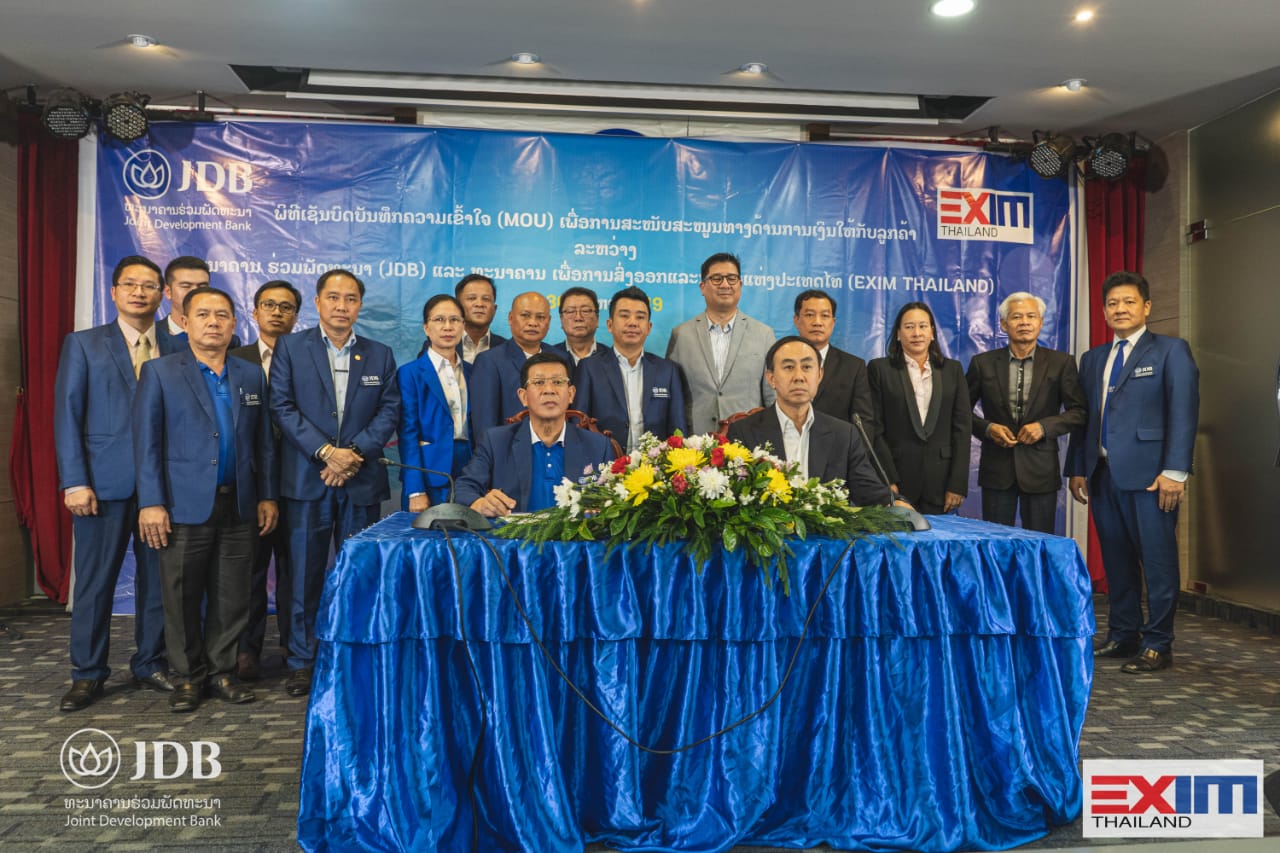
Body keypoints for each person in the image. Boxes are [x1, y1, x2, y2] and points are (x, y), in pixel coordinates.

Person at [134, 287, 278, 712]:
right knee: (180, 595)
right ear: (185, 321)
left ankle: (222, 672)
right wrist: (151, 502)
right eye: (203, 314)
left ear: (234, 324)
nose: (213, 322)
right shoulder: (160, 372)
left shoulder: (250, 374)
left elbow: (263, 444)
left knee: (233, 594)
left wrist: (267, 496)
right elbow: (146, 443)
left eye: (221, 315)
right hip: (181, 505)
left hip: (240, 503)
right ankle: (188, 677)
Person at [269, 269, 401, 697]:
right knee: (304, 575)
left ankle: (352, 652)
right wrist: (327, 453)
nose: (342, 306)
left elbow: (389, 411)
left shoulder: (380, 354)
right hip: (308, 479)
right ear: (318, 302)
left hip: (360, 480)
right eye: (333, 297)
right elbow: (282, 406)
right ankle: (302, 660)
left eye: (350, 299)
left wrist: (353, 454)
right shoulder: (292, 347)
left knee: (359, 572)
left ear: (359, 305)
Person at [53, 255, 175, 711]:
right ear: (114, 292)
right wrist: (74, 480)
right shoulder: (84, 344)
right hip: (101, 486)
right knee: (95, 584)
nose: (140, 292)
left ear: (162, 294)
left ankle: (150, 662)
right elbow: (67, 415)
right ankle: (87, 673)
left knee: (157, 583)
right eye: (130, 284)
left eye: (149, 286)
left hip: (162, 487)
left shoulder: (176, 346)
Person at [1066, 271, 1199, 674]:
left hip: (1152, 478)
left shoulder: (1171, 351)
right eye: (1112, 303)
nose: (1120, 309)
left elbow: (1184, 411)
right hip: (1103, 475)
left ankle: (1158, 642)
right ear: (1104, 311)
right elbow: (1085, 419)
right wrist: (1077, 467)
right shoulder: (1092, 359)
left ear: (1147, 307)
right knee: (1117, 560)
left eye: (1128, 302)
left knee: (1157, 561)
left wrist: (1175, 471)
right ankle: (1124, 634)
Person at [966, 292, 1087, 533]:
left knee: (1039, 542)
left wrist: (1044, 427)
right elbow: (960, 412)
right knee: (997, 543)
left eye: (1031, 316)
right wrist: (988, 429)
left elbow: (1079, 412)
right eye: (1016, 317)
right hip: (997, 470)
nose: (1024, 322)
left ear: (1040, 322)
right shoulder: (982, 363)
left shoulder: (1061, 363)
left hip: (1041, 470)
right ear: (1003, 324)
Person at [229, 280, 301, 680]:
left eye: (286, 307)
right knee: (248, 573)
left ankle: (295, 648)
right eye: (269, 305)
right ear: (254, 312)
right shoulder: (234, 359)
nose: (277, 312)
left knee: (295, 572)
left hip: (299, 481)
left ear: (296, 316)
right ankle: (246, 650)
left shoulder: (309, 358)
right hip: (249, 483)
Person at [727, 336, 896, 507]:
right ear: (771, 378)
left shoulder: (844, 435)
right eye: (788, 367)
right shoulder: (744, 432)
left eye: (807, 367)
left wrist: (896, 502)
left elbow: (868, 491)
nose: (799, 377)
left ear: (819, 375)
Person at [456, 353, 613, 516]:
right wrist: (479, 503)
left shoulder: (598, 446)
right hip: (513, 532)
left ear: (571, 394)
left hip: (575, 533)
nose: (549, 390)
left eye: (558, 382)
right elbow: (464, 488)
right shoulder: (496, 442)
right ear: (523, 396)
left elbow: (614, 500)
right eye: (538, 382)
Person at [867, 301, 971, 514]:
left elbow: (962, 429)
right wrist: (887, 479)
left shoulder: (952, 370)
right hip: (896, 481)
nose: (917, 333)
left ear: (932, 332)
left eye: (923, 326)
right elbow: (874, 428)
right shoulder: (880, 369)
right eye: (909, 327)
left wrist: (957, 484)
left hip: (941, 484)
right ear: (898, 334)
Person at [665, 252, 775, 434]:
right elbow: (673, 396)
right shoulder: (681, 334)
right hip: (695, 442)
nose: (725, 284)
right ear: (702, 287)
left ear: (740, 285)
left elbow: (772, 396)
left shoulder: (764, 334)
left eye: (732, 279)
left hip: (748, 441)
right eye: (716, 279)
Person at [573, 286, 687, 450]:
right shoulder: (589, 368)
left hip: (654, 463)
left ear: (649, 327)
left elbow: (678, 429)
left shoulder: (667, 371)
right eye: (624, 315)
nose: (632, 323)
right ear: (610, 325)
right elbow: (578, 424)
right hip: (604, 461)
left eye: (640, 317)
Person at [397, 294, 473, 510]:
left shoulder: (474, 371)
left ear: (463, 326)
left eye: (454, 320)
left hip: (470, 472)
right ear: (426, 328)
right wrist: (415, 489)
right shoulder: (410, 373)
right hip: (429, 473)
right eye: (439, 320)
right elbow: (407, 434)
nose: (448, 327)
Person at [469, 292, 567, 431]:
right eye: (525, 315)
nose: (533, 323)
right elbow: (485, 424)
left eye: (540, 317)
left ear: (549, 322)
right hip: (509, 443)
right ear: (510, 318)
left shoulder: (561, 359)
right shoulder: (489, 361)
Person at [792, 290, 873, 427]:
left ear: (833, 322)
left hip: (837, 440)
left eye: (824, 316)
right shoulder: (781, 362)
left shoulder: (853, 367)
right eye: (810, 315)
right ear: (796, 320)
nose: (817, 322)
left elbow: (863, 421)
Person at [155, 256, 242, 350]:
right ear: (168, 292)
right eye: (186, 286)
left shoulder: (229, 341)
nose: (195, 292)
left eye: (202, 286)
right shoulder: (152, 335)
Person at [456, 274, 505, 364]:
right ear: (458, 307)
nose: (479, 304)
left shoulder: (507, 349)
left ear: (494, 309)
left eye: (486, 299)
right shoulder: (439, 345)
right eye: (472, 298)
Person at [555, 286, 601, 366]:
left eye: (585, 311)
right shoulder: (549, 356)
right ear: (561, 320)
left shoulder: (612, 358)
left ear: (597, 319)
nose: (578, 318)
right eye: (570, 311)